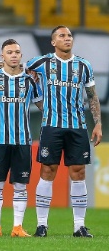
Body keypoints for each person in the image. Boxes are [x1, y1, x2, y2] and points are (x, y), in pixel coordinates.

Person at [27, 26, 102, 238]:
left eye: (69, 35)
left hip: (77, 126)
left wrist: (98, 124)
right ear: (53, 42)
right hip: (52, 126)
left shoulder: (83, 65)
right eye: (62, 36)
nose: (67, 38)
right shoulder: (42, 62)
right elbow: (13, 69)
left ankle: (79, 226)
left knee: (78, 172)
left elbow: (92, 95)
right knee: (48, 171)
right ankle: (42, 225)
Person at [0, 39, 43, 237]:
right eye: (9, 52)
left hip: (23, 141)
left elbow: (42, 107)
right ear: (2, 56)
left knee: (20, 185)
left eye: (17, 52)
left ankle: (17, 227)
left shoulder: (30, 81)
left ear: (21, 56)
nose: (13, 55)